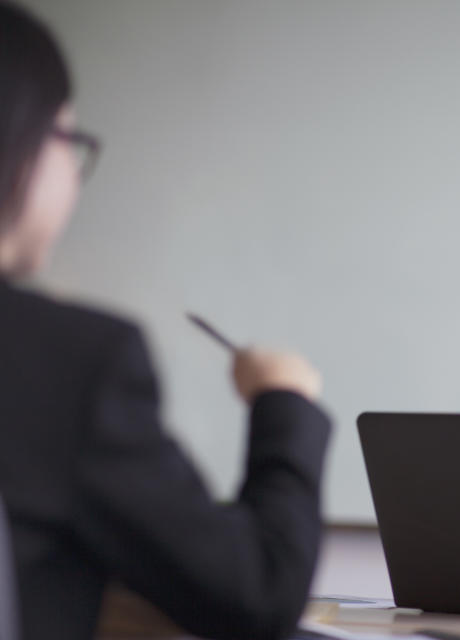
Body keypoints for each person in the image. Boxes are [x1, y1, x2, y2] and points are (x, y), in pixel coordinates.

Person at [0, 3, 331, 640]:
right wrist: (283, 405)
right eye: (68, 142)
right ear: (18, 141)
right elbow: (257, 592)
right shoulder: (69, 359)